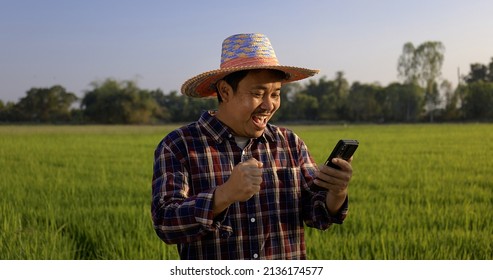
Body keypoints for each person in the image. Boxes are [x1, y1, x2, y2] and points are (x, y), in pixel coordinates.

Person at [151, 33, 353, 260]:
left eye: (276, 94)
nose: (269, 105)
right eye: (258, 94)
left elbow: (317, 214)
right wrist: (224, 195)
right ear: (225, 91)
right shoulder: (179, 145)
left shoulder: (289, 143)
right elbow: (165, 223)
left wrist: (336, 192)